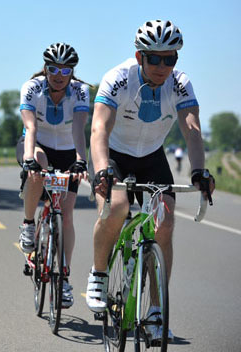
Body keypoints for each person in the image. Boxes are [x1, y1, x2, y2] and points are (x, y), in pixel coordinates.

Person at [85, 20, 215, 341]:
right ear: (139, 56)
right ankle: (99, 274)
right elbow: (99, 128)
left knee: (165, 225)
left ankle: (156, 310)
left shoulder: (181, 83)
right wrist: (103, 169)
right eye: (154, 58)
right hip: (114, 154)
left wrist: (199, 170)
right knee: (116, 208)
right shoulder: (118, 79)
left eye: (169, 59)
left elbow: (192, 129)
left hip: (152, 157)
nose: (161, 66)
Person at [17, 42, 90, 308]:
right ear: (45, 69)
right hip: (37, 145)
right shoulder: (33, 87)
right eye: (53, 69)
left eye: (65, 69)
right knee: (38, 165)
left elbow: (79, 129)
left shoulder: (80, 91)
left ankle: (65, 278)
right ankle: (28, 224)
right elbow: (30, 126)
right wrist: (29, 159)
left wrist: (81, 161)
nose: (59, 75)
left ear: (72, 71)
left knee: (67, 214)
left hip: (68, 150)